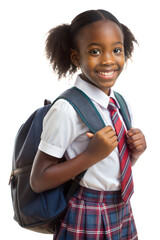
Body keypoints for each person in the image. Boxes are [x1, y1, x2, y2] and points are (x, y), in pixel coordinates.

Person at [30, 9, 146, 240]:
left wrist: (135, 151)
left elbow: (112, 166)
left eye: (116, 50)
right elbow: (39, 179)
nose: (108, 60)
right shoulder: (66, 109)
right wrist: (90, 156)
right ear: (76, 57)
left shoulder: (119, 103)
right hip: (86, 210)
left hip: (121, 207)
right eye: (95, 51)